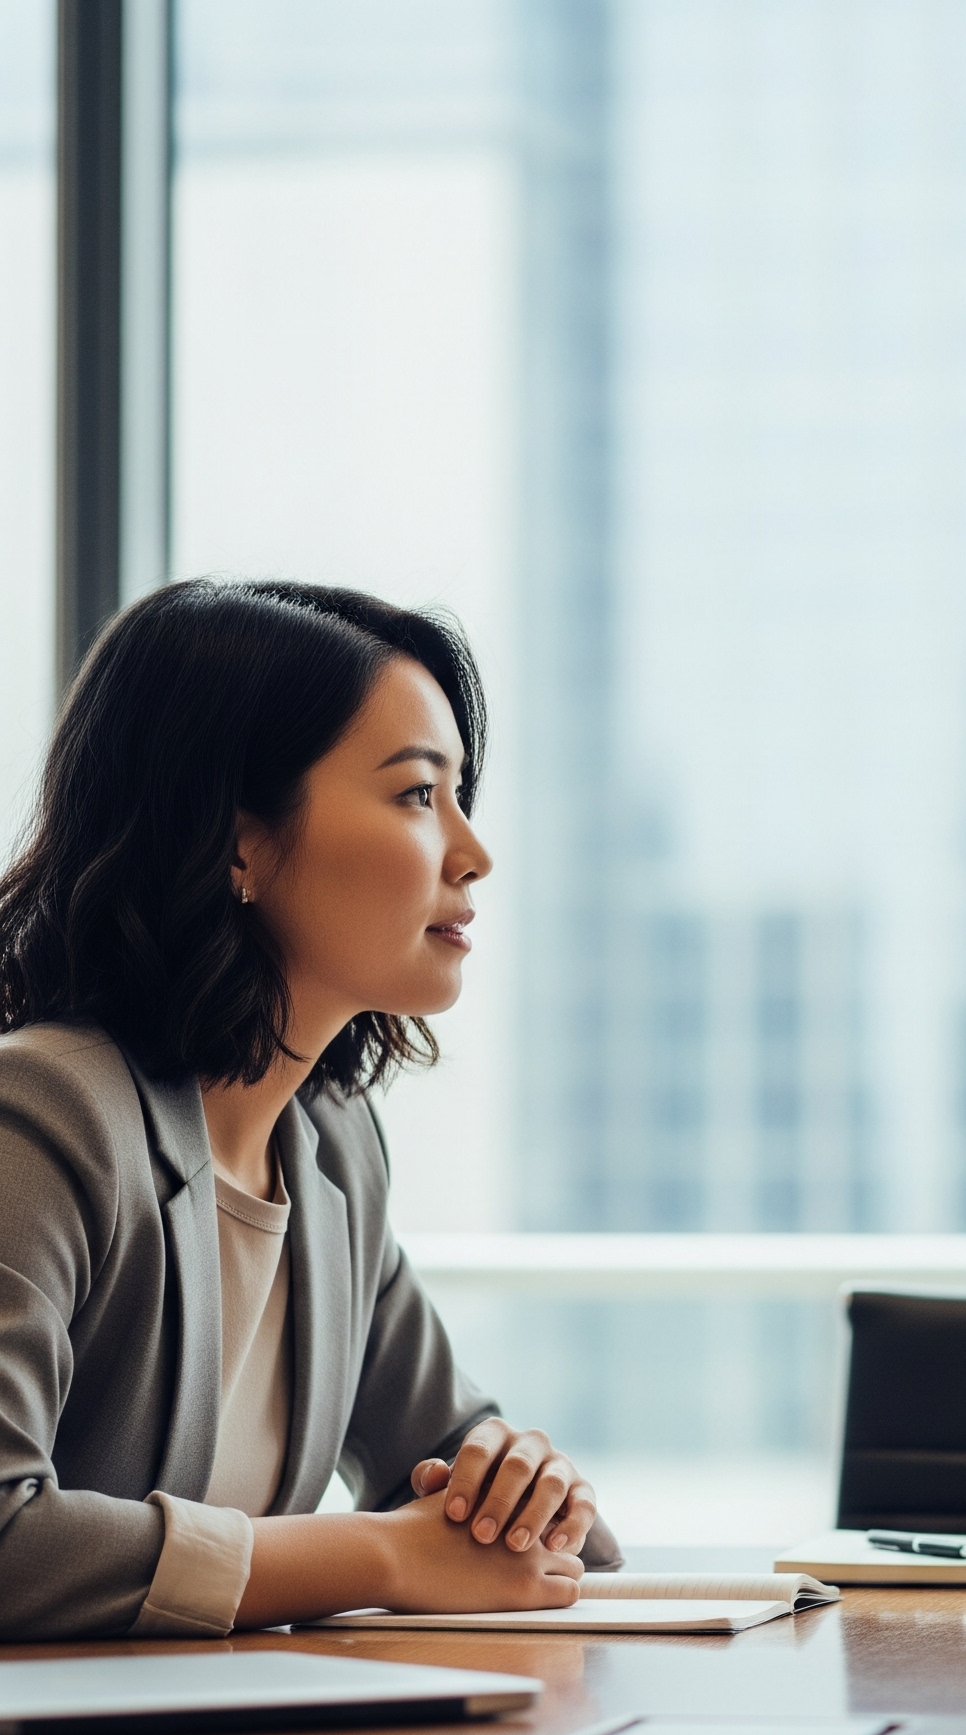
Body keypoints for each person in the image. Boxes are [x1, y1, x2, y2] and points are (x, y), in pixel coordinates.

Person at [0, 579, 617, 1638]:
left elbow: (465, 1484)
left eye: (459, 793)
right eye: (419, 795)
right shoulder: (46, 1115)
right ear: (239, 841)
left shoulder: (330, 1149)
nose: (472, 851)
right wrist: (377, 1551)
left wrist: (528, 1490)